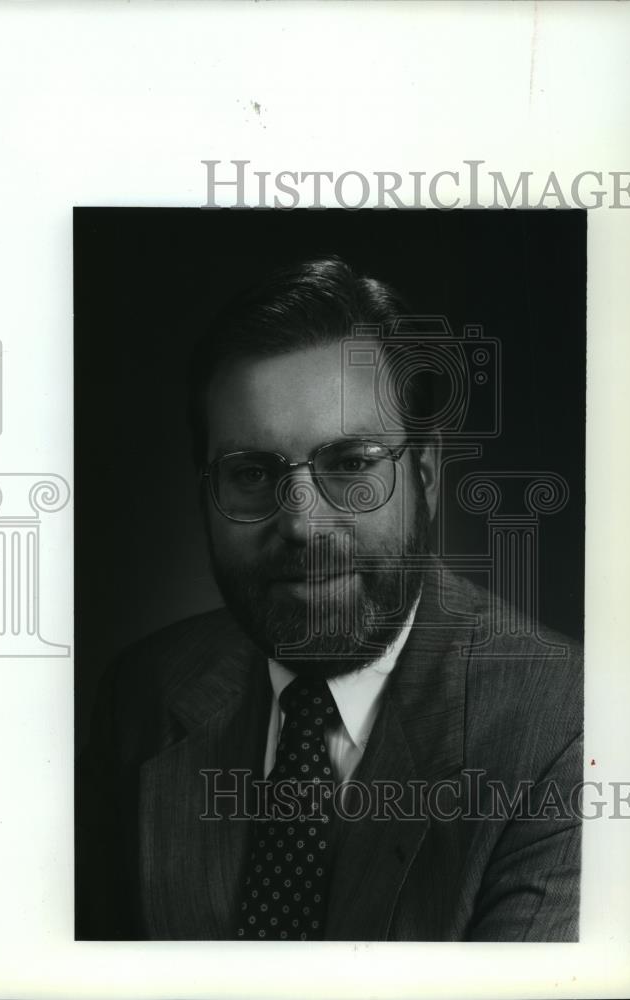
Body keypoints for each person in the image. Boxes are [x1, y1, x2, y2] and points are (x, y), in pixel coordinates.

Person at [76, 256, 583, 942]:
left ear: (426, 475)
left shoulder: (566, 726)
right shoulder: (141, 693)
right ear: (206, 494)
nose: (302, 524)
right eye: (252, 473)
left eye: (350, 463)